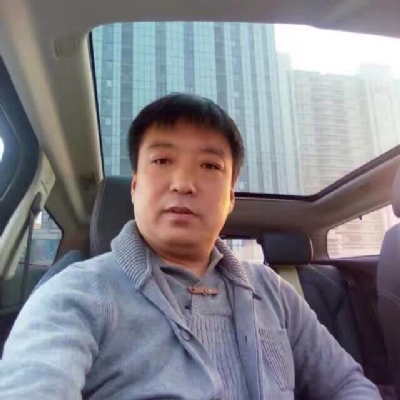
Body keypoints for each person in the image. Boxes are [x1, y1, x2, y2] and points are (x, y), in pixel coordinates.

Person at [0, 93, 381, 399]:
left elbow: (347, 384)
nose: (183, 183)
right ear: (135, 188)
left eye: (210, 166)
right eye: (162, 160)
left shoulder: (273, 292)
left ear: (230, 199)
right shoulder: (78, 292)